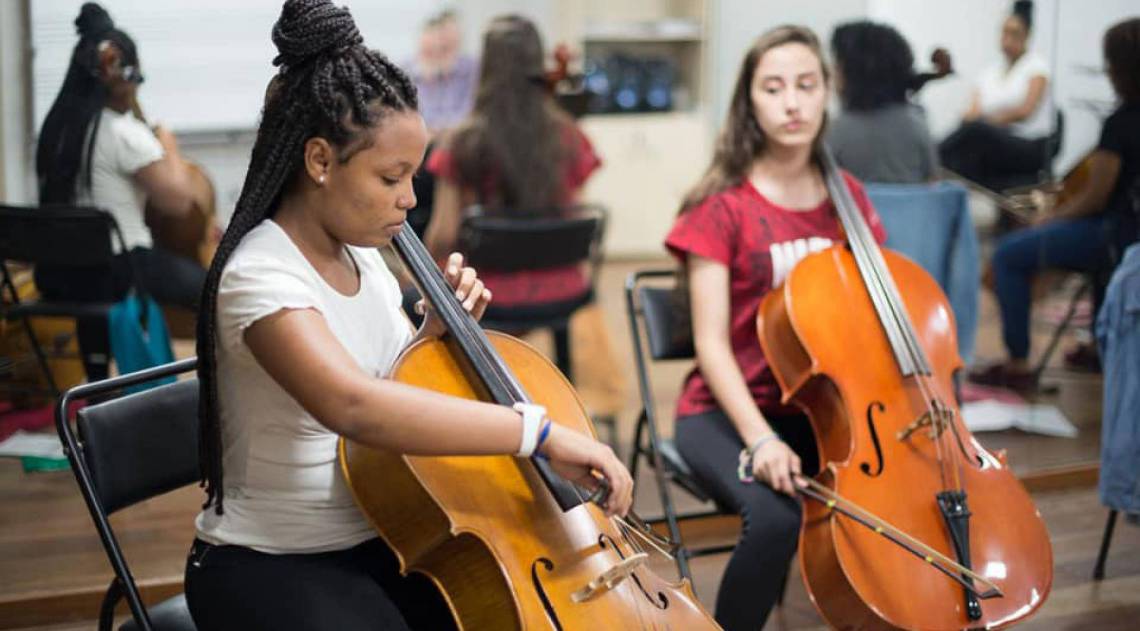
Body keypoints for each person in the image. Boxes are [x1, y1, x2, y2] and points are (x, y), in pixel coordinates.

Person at [182, 2, 632, 630]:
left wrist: (431, 337)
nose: (410, 198)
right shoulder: (261, 274)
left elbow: (391, 380)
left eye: (415, 175)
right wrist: (538, 433)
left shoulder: (364, 256)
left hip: (389, 538)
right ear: (319, 161)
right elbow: (357, 407)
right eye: (392, 176)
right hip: (272, 562)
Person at [663, 25, 887, 631]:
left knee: (895, 500)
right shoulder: (721, 205)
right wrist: (760, 439)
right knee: (777, 519)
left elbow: (872, 320)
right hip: (726, 409)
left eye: (806, 85)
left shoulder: (851, 200)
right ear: (750, 102)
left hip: (823, 410)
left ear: (825, 94)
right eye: (774, 87)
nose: (792, 103)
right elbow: (711, 343)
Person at [34, 2, 204, 380]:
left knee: (95, 282)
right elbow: (178, 202)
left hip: (64, 276)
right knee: (215, 288)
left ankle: (96, 382)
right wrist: (168, 144)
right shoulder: (122, 132)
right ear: (121, 75)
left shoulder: (56, 130)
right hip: (120, 270)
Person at [970, 17, 1140, 390]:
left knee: (1008, 255)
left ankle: (1017, 363)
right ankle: (1097, 345)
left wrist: (1050, 218)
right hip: (1127, 242)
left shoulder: (1121, 124)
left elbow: (1095, 198)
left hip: (1116, 239)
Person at [423, 14, 602, 310]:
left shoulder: (460, 142)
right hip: (561, 286)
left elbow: (444, 235)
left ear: (486, 68)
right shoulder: (571, 137)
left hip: (482, 294)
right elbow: (575, 217)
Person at [939, 0, 1055, 191]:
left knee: (976, 130)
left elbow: (1025, 111)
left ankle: (933, 154)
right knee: (968, 137)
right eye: (1004, 32)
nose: (1007, 39)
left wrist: (986, 122)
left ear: (1027, 35)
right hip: (990, 139)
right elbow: (972, 111)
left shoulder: (1037, 67)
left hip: (1027, 144)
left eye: (1014, 33)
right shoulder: (989, 73)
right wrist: (972, 120)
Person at [827, 20, 939, 184]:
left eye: (837, 64)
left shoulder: (835, 132)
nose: (832, 71)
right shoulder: (918, 124)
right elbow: (932, 185)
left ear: (853, 72)